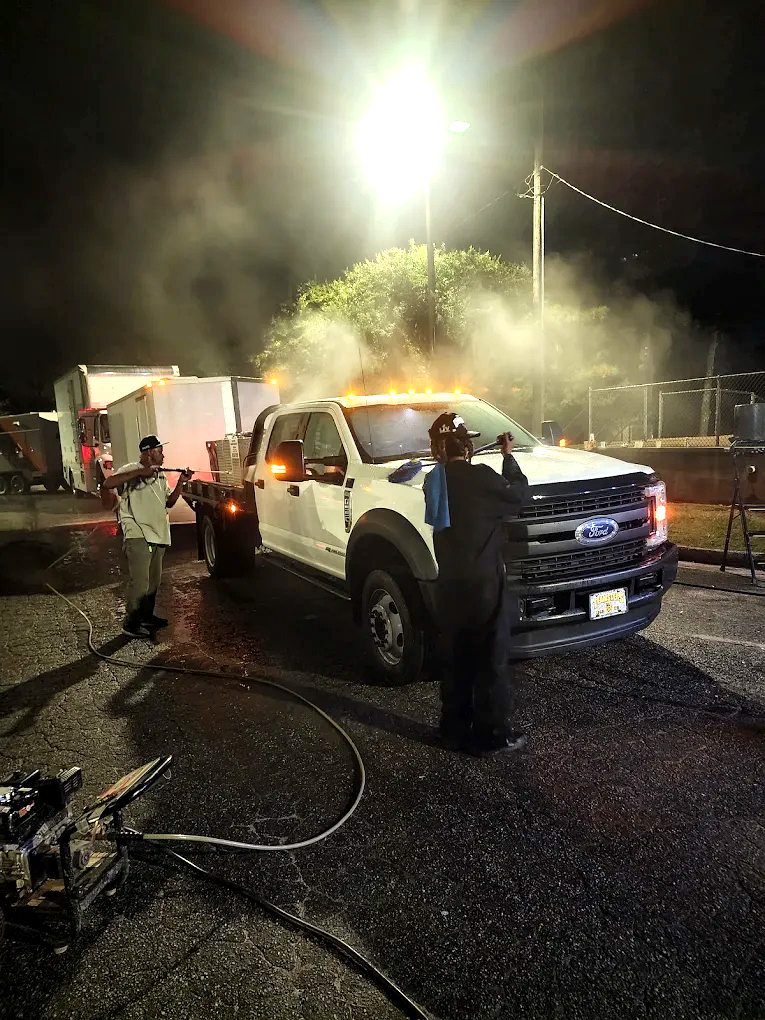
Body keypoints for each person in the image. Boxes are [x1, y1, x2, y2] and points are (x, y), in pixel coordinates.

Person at [423, 412, 528, 755]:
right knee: (490, 658)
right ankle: (494, 734)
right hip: (484, 583)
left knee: (455, 657)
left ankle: (453, 729)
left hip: (449, 583)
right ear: (466, 445)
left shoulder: (433, 482)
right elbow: (517, 494)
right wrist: (507, 457)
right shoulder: (481, 477)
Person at [102, 435, 192, 637]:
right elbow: (108, 483)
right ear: (149, 452)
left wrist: (181, 482)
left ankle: (146, 617)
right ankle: (131, 623)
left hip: (158, 533)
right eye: (160, 450)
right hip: (137, 533)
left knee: (153, 582)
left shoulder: (160, 475)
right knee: (140, 582)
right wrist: (142, 472)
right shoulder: (129, 470)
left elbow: (168, 503)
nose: (164, 455)